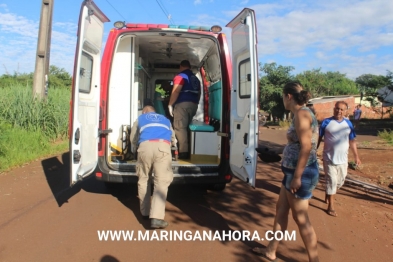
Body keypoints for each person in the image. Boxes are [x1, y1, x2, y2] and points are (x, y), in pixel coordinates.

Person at [252, 82, 320, 262]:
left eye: (283, 96)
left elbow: (307, 147)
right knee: (281, 210)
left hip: (300, 174)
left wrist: (297, 177)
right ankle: (271, 250)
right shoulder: (301, 113)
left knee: (301, 219)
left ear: (288, 96)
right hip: (291, 172)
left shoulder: (302, 114)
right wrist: (278, 151)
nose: (282, 100)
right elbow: (299, 144)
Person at [130, 105, 177, 229]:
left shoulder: (141, 118)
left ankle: (145, 213)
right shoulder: (165, 119)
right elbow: (173, 138)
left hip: (144, 147)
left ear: (145, 112)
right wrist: (173, 146)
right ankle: (156, 218)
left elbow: (133, 137)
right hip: (162, 147)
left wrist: (136, 147)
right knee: (161, 181)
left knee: (144, 179)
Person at [317, 101, 361, 217]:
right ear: (334, 109)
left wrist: (356, 156)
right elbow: (319, 137)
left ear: (346, 111)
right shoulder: (326, 122)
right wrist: (313, 150)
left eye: (342, 109)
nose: (339, 111)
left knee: (340, 181)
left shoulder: (348, 124)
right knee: (332, 180)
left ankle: (329, 191)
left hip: (343, 159)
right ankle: (330, 206)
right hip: (329, 158)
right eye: (337, 109)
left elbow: (352, 141)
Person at [168, 60, 201, 159]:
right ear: (190, 67)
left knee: (180, 127)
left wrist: (170, 104)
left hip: (182, 105)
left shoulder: (180, 76)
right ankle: (190, 149)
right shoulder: (195, 79)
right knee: (187, 127)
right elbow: (199, 93)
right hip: (194, 105)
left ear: (180, 66)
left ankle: (183, 152)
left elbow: (176, 91)